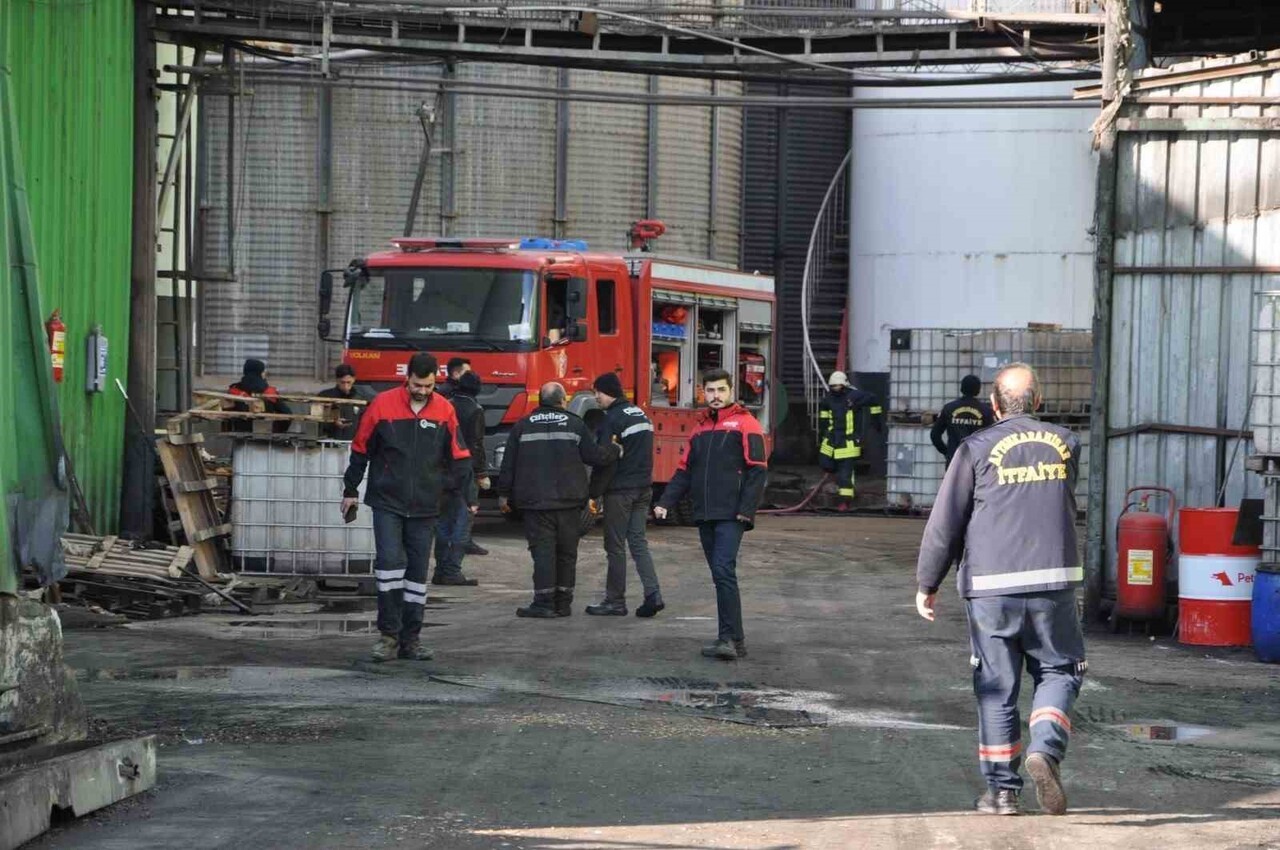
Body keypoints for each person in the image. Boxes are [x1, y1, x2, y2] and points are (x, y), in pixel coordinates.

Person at [915, 362, 1085, 817]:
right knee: (1058, 670)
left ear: (992, 405)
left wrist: (927, 581)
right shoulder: (1067, 443)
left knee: (996, 687)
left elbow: (947, 519)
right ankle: (1045, 749)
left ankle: (1003, 794)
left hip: (991, 587)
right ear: (1040, 401)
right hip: (1053, 581)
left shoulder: (973, 448)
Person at [341, 352, 476, 662]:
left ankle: (411, 639)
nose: (423, 391)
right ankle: (388, 637)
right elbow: (361, 449)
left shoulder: (445, 410)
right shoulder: (381, 405)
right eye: (418, 385)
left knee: (416, 573)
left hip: (427, 506)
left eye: (429, 386)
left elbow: (461, 457)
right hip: (387, 502)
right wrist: (350, 489)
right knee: (389, 565)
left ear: (435, 382)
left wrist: (455, 494)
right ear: (407, 379)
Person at [654, 369, 768, 660]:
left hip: (731, 514)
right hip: (705, 513)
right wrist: (665, 502)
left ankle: (729, 639)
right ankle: (733, 640)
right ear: (703, 392)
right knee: (720, 575)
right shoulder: (699, 428)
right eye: (710, 391)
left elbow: (757, 469)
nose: (715, 396)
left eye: (721, 390)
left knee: (723, 570)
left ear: (731, 392)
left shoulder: (746, 423)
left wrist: (746, 510)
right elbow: (684, 471)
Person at [498, 382, 620, 619]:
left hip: (535, 502)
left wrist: (504, 495)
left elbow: (508, 465)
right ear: (563, 401)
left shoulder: (522, 426)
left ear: (540, 401)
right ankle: (563, 604)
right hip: (570, 502)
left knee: (543, 552)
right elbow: (594, 456)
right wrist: (614, 450)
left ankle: (544, 603)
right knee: (566, 553)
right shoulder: (575, 424)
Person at [584, 372, 664, 619]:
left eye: (597, 392)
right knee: (638, 542)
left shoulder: (612, 419)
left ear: (607, 391)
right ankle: (654, 594)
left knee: (615, 546)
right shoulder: (640, 414)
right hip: (643, 488)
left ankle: (615, 601)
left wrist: (592, 493)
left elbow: (605, 459)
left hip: (620, 491)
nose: (596, 398)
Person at [432, 370, 488, 586]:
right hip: (464, 471)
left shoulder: (446, 404)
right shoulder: (475, 409)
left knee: (444, 523)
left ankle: (440, 570)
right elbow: (476, 444)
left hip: (441, 471)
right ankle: (452, 571)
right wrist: (481, 472)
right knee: (462, 523)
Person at [816, 371, 882, 511]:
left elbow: (874, 400)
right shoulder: (827, 400)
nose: (835, 389)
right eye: (832, 386)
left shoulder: (855, 396)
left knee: (845, 473)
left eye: (837, 386)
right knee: (824, 462)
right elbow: (823, 420)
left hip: (848, 442)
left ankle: (845, 501)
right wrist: (822, 435)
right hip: (832, 440)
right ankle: (837, 482)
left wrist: (876, 422)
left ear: (844, 385)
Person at [931, 374, 995, 466]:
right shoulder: (985, 410)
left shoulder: (949, 408)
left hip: (954, 461)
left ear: (962, 388)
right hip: (976, 462)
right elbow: (991, 438)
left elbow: (934, 435)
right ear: (978, 390)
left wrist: (947, 452)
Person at [228, 358, 291, 434]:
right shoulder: (269, 392)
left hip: (238, 434)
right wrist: (278, 431)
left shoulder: (234, 391)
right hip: (267, 436)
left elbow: (226, 413)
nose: (265, 373)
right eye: (263, 371)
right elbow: (287, 413)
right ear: (259, 373)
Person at [317, 364, 376, 441]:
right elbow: (317, 422)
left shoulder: (363, 398)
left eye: (348, 382)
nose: (345, 386)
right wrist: (333, 422)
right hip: (329, 442)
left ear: (354, 379)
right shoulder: (325, 397)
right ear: (337, 380)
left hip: (354, 442)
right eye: (342, 382)